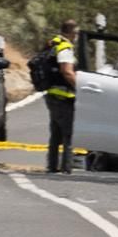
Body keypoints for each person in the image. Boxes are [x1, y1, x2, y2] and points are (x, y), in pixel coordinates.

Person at [46, 19, 80, 174]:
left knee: (55, 134)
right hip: (63, 96)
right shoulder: (65, 47)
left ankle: (52, 166)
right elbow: (67, 71)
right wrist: (79, 87)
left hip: (52, 94)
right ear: (72, 32)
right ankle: (67, 168)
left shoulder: (53, 43)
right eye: (76, 32)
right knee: (68, 134)